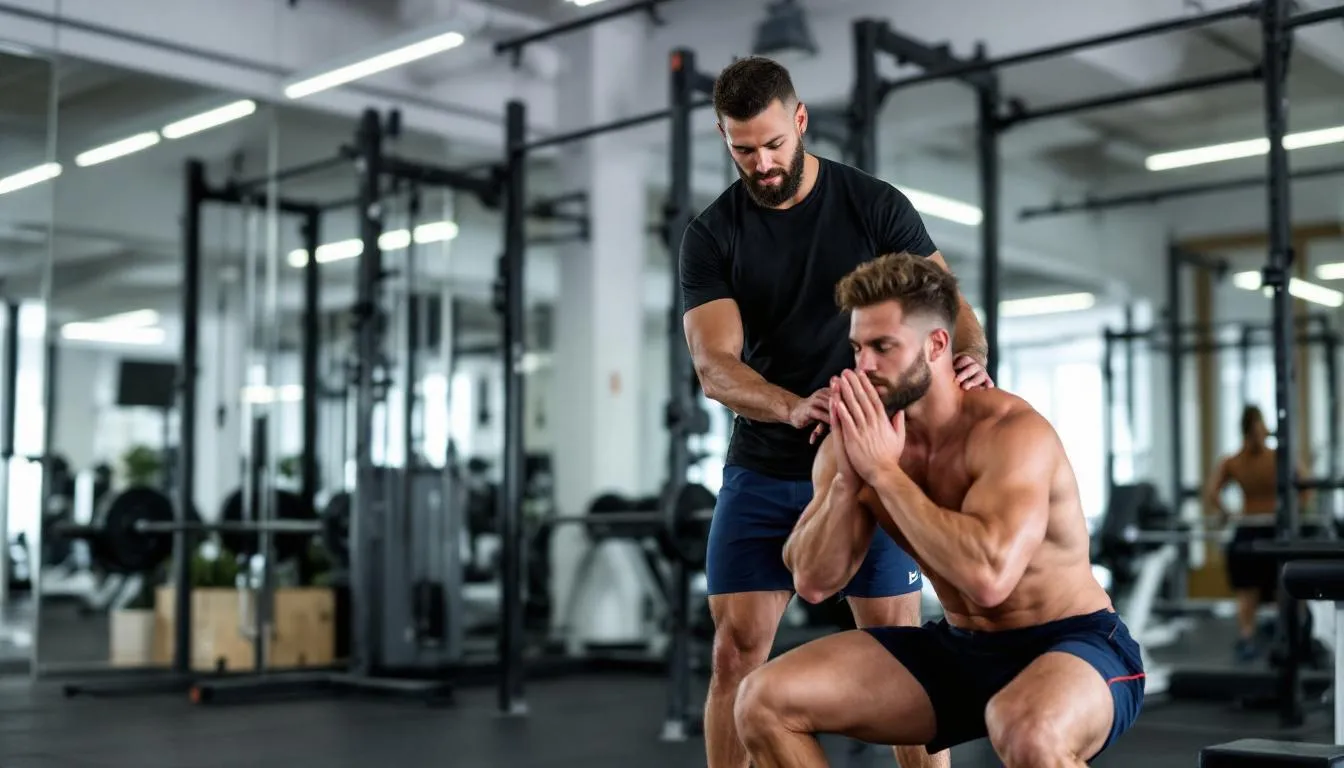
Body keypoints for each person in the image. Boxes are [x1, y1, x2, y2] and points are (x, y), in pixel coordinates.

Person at [680, 57, 992, 768]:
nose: (759, 163)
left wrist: (970, 353)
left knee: (905, 664)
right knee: (735, 654)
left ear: (799, 121)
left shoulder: (871, 204)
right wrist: (793, 409)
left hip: (869, 465)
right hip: (764, 467)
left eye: (771, 145)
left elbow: (947, 303)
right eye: (741, 149)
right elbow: (714, 365)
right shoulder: (713, 233)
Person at [733, 253, 1145, 767]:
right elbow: (815, 580)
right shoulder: (863, 441)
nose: (864, 366)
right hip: (961, 648)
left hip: (1074, 643)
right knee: (762, 701)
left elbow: (989, 578)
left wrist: (885, 473)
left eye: (883, 347)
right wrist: (849, 478)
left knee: (1027, 730)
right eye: (858, 348)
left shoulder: (1011, 434)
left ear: (936, 345)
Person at [1204, 404, 1313, 661]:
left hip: (1273, 529)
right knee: (1248, 592)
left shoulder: (1273, 458)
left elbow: (1306, 485)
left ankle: (1291, 637)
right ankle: (1248, 637)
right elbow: (1212, 492)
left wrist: (1294, 512)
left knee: (1284, 589)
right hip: (1253, 530)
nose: (1258, 434)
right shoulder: (1238, 461)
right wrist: (1228, 513)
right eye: (1254, 429)